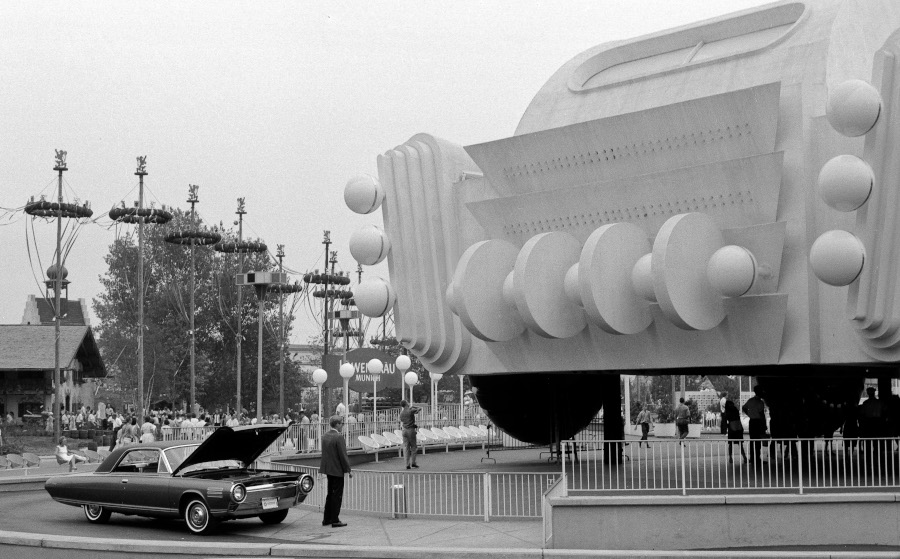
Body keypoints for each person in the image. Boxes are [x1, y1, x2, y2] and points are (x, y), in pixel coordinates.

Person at [319, 415, 352, 528]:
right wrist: (348, 469)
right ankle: (335, 519)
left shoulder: (325, 436)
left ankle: (326, 518)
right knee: (337, 495)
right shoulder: (339, 437)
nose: (342, 425)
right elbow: (343, 455)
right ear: (337, 424)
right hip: (337, 470)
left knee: (330, 494)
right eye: (341, 423)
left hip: (328, 469)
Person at [742, 386, 767, 466]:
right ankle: (757, 458)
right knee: (758, 441)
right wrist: (764, 425)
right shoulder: (760, 402)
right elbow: (762, 415)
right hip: (758, 422)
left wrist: (749, 414)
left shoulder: (750, 400)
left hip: (752, 422)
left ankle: (752, 458)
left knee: (752, 440)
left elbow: (744, 407)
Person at [399, 399, 422, 468]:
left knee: (406, 447)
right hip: (410, 430)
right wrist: (413, 406)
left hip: (404, 430)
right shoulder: (410, 410)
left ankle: (407, 464)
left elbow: (402, 420)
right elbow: (419, 409)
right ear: (406, 404)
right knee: (413, 447)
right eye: (407, 402)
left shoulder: (401, 413)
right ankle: (413, 462)